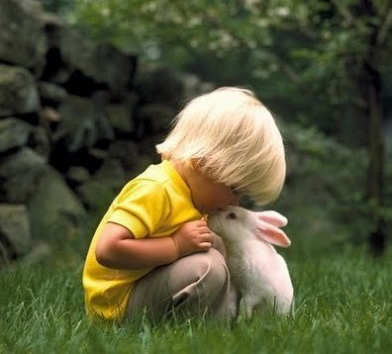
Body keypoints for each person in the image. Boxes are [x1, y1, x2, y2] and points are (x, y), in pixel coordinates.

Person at [82, 87, 286, 323]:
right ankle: (211, 335)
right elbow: (108, 249)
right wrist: (176, 245)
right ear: (205, 163)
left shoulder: (191, 196)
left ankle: (224, 321)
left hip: (147, 285)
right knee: (207, 268)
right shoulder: (156, 189)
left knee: (218, 243)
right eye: (234, 190)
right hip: (118, 305)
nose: (235, 202)